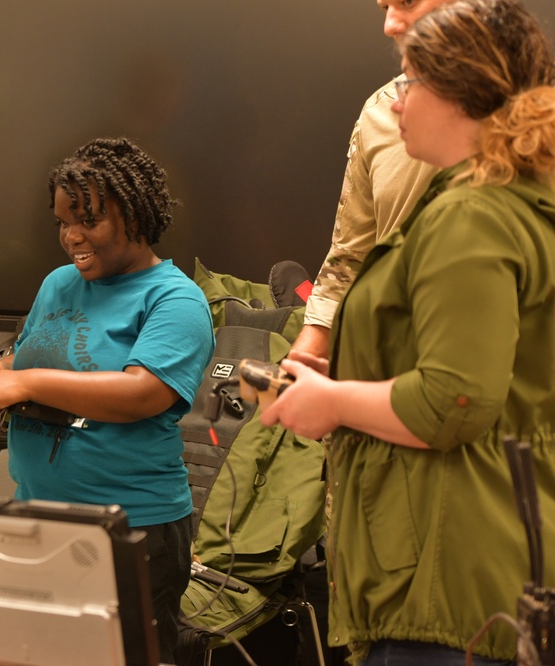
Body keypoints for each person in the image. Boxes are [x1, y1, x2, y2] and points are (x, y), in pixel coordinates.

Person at [261, 0, 555, 663]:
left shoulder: (470, 217)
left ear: (461, 92)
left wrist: (331, 402)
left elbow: (454, 399)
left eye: (412, 82)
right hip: (477, 553)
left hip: (449, 574)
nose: (395, 104)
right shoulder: (507, 199)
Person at [0, 137, 215, 664]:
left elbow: (143, 392)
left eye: (89, 221)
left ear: (136, 215)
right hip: (41, 518)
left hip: (132, 528)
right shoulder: (58, 284)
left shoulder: (175, 298)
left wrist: (25, 385)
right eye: (63, 222)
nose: (72, 237)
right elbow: (29, 361)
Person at [292, 0, 452, 360]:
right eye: (384, 7)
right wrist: (304, 360)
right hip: (395, 367)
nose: (390, 25)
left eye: (407, 2)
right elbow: (349, 257)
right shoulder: (380, 113)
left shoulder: (538, 113)